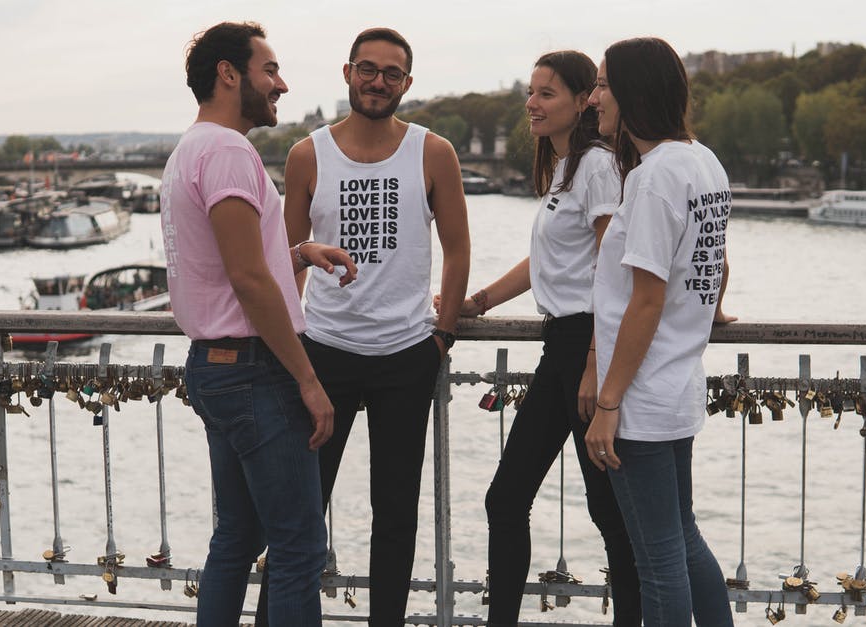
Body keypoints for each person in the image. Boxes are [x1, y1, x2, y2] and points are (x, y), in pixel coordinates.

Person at [256, 26, 471, 627]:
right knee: (301, 508)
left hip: (407, 353)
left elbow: (457, 248)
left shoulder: (433, 152)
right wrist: (289, 350)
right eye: (368, 69)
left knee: (396, 510)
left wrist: (443, 335)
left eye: (392, 73)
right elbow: (285, 260)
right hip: (325, 351)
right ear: (347, 72)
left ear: (407, 83)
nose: (379, 82)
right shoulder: (307, 154)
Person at [161, 21, 357, 627]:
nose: (281, 84)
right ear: (228, 73)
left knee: (236, 539)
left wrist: (297, 254)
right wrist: (307, 379)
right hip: (254, 371)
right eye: (269, 70)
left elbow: (228, 263)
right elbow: (248, 281)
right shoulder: (227, 151)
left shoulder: (190, 149)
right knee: (299, 548)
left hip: (215, 368)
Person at [440, 50, 640, 626]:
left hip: (584, 345)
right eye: (531, 91)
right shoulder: (563, 169)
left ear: (584, 101)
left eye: (547, 93)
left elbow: (614, 262)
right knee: (511, 500)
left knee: (606, 511)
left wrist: (596, 365)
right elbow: (547, 259)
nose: (533, 103)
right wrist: (478, 302)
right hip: (564, 347)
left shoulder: (598, 165)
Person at [583, 37, 736, 627]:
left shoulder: (653, 178)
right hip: (678, 386)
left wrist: (608, 401)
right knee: (685, 539)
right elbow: (714, 262)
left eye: (602, 84)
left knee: (658, 562)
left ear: (632, 91)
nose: (595, 97)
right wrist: (709, 310)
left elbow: (645, 301)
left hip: (642, 399)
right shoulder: (704, 160)